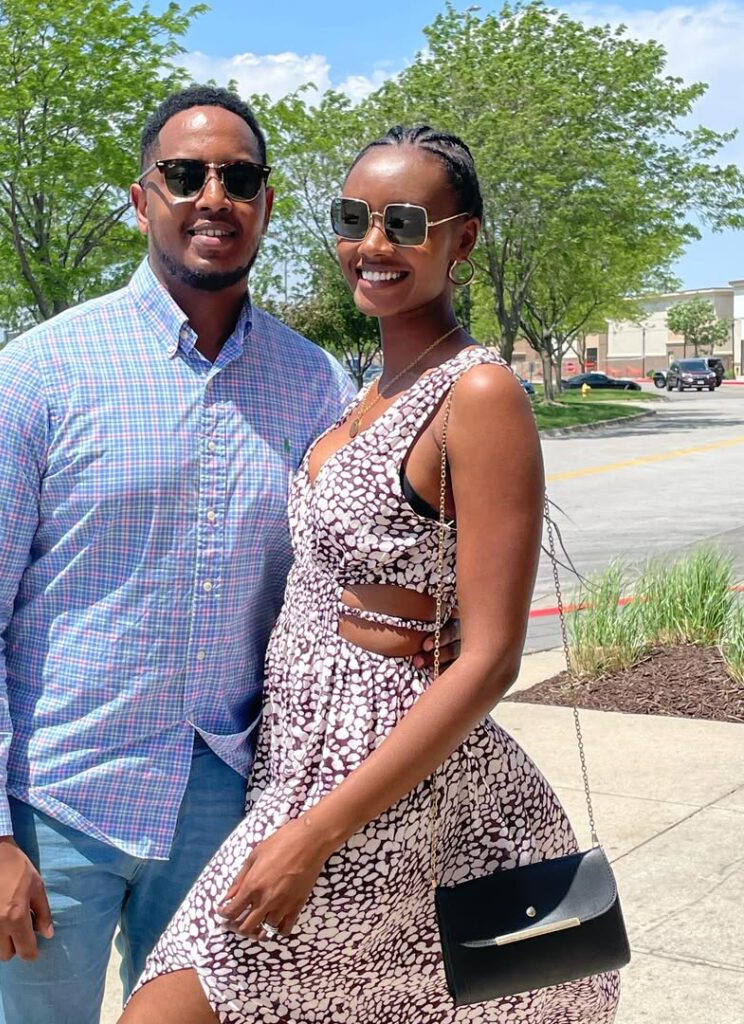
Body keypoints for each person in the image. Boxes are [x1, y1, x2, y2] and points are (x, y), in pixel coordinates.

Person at [0, 89, 457, 1024]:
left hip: (228, 798)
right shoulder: (38, 374)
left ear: (267, 205)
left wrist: (419, 621)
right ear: (142, 199)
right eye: (184, 174)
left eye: (239, 178)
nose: (214, 196)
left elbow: (342, 558)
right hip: (57, 805)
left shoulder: (315, 383)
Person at [121, 126, 621, 1023]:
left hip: (372, 792)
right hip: (296, 764)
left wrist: (316, 833)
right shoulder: (363, 392)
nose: (374, 244)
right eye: (354, 219)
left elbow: (491, 658)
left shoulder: (477, 393)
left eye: (406, 223)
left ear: (463, 240)